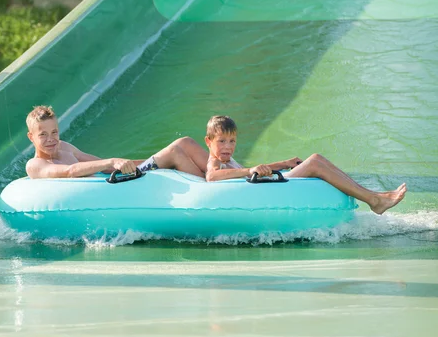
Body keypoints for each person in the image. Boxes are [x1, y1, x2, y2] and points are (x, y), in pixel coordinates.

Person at [204, 115, 407, 215]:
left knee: (317, 159)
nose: (227, 147)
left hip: (263, 190)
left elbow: (252, 171)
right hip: (261, 197)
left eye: (232, 141)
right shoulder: (214, 161)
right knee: (315, 162)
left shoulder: (227, 160)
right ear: (209, 141)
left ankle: (374, 196)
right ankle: (373, 200)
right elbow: (211, 177)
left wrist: (284, 163)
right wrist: (249, 170)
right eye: (221, 141)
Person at [25, 105, 209, 179]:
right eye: (42, 134)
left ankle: (221, 171)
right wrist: (112, 161)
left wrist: (152, 161)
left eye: (54, 132)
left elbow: (104, 167)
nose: (51, 139)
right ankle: (209, 190)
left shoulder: (64, 147)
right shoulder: (35, 165)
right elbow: (69, 171)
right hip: (112, 191)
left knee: (185, 143)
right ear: (31, 137)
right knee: (175, 152)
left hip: (118, 180)